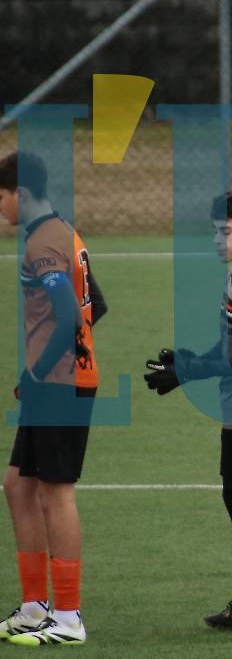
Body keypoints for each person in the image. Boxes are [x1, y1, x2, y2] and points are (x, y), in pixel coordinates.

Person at [144, 187, 232, 637]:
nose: (217, 239)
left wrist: (188, 373)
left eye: (225, 231)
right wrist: (186, 360)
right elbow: (229, 347)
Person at [0, 151, 105, 646]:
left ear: (20, 193)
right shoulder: (65, 232)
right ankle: (33, 607)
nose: (0, 207)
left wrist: (41, 369)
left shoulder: (44, 242)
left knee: (55, 492)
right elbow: (96, 304)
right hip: (61, 380)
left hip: (58, 385)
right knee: (18, 485)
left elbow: (69, 316)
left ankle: (67, 617)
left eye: (1, 197)